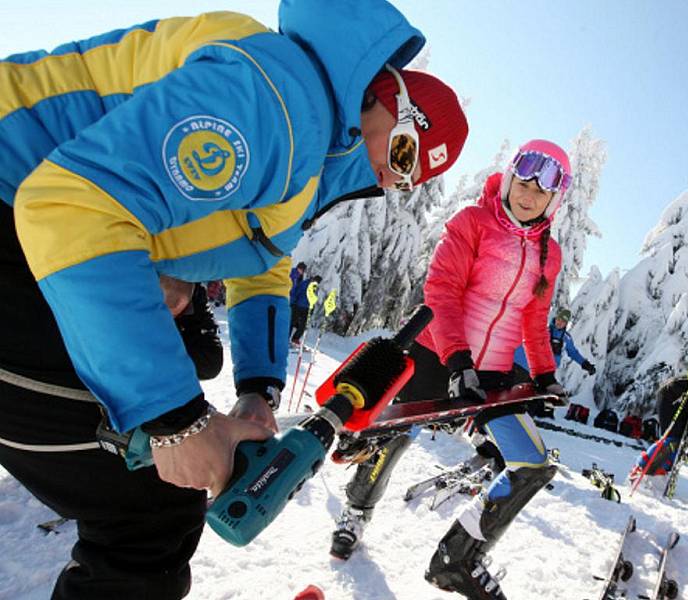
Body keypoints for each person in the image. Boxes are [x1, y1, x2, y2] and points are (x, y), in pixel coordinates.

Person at [0, 1, 468, 597]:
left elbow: (264, 265)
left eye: (406, 179)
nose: (386, 176)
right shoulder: (277, 101)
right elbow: (69, 207)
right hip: (13, 202)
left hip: (28, 225)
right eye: (401, 153)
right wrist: (173, 419)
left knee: (179, 403)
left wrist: (258, 389)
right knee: (150, 513)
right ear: (380, 96)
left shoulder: (310, 148)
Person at [330, 139, 572, 600]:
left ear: (554, 200)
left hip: (494, 373)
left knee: (533, 464)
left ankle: (456, 559)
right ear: (509, 179)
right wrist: (458, 360)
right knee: (391, 439)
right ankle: (356, 513)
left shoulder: (548, 254)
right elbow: (441, 291)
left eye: (541, 192)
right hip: (438, 354)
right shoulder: (473, 222)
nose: (528, 195)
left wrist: (544, 374)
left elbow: (533, 319)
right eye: (522, 182)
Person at [549, 307, 596, 375]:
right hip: (535, 367)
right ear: (556, 318)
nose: (560, 322)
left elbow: (573, 353)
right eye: (559, 319)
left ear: (566, 324)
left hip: (550, 371)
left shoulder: (566, 338)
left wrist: (585, 364)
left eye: (563, 321)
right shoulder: (545, 331)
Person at [290, 274, 322, 347]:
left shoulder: (315, 287)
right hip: (298, 305)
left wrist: (312, 309)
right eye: (316, 281)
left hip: (306, 308)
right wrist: (294, 302)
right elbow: (296, 292)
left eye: (318, 282)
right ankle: (286, 337)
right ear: (313, 279)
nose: (316, 283)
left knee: (303, 325)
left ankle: (295, 339)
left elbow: (314, 299)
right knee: (292, 322)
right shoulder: (305, 283)